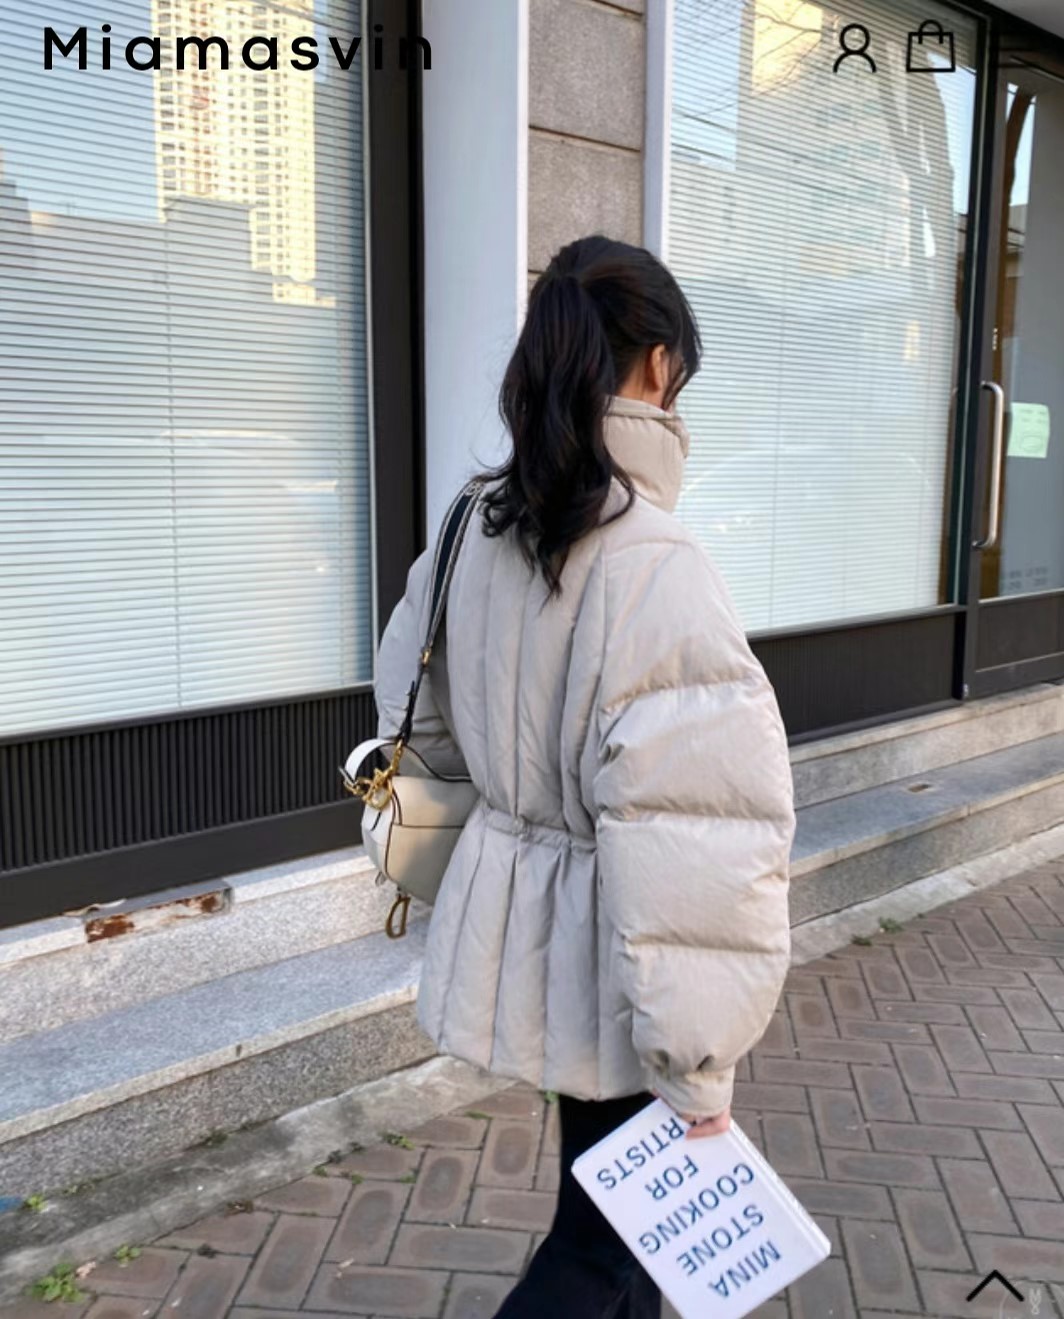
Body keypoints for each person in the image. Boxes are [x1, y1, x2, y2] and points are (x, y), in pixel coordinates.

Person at [372, 235, 796, 1317]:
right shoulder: (654, 560)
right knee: (600, 1247)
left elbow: (416, 711)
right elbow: (697, 840)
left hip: (528, 930)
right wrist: (697, 1063)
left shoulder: (474, 523)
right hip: (620, 965)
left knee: (625, 1226)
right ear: (656, 364)